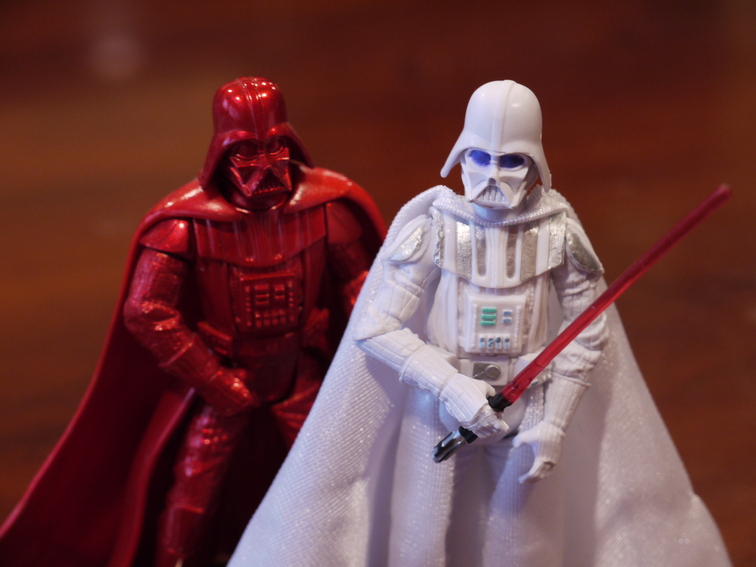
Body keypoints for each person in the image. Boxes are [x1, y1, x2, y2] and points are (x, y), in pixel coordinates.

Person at [227, 81, 731, 566]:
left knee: (523, 537)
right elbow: (376, 326)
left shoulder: (559, 232)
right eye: (479, 157)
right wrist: (451, 388)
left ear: (534, 164)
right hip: (442, 405)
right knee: (421, 532)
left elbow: (587, 333)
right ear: (460, 157)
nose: (492, 173)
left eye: (510, 161)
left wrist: (554, 422)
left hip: (528, 404)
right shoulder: (435, 227)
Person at [0, 77, 384, 567]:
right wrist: (214, 380)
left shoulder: (325, 210)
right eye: (247, 152)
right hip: (226, 379)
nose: (266, 166)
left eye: (275, 148)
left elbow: (362, 286)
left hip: (300, 376)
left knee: (336, 479)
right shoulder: (186, 226)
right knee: (192, 497)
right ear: (221, 153)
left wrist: (374, 351)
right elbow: (146, 309)